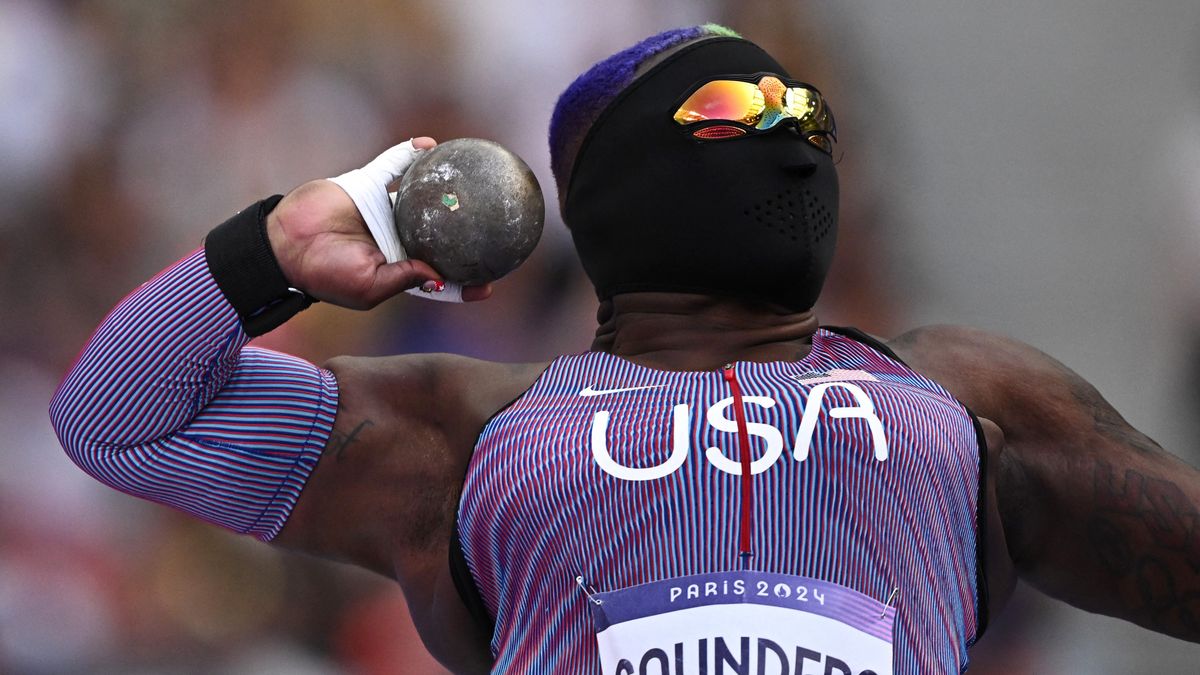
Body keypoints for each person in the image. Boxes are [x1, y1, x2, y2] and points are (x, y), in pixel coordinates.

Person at [49, 24, 1200, 674]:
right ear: (616, 187)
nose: (791, 142)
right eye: (737, 117)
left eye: (808, 121)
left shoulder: (970, 405)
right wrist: (279, 247)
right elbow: (117, 421)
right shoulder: (460, 435)